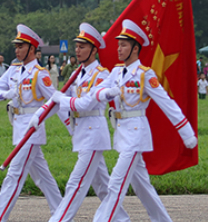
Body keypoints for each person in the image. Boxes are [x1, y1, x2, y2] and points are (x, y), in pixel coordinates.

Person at [56, 19, 196, 222]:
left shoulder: (145, 75)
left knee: (115, 184)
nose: (119, 49)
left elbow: (168, 104)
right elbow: (97, 91)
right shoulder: (115, 73)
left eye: (124, 45)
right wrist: (98, 94)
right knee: (143, 187)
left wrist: (186, 133)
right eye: (118, 44)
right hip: (122, 132)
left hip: (136, 133)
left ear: (135, 48)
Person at [38, 23, 130, 222]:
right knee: (103, 187)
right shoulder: (76, 75)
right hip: (81, 132)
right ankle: (121, 219)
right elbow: (58, 102)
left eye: (83, 46)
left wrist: (59, 99)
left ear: (94, 50)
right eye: (77, 46)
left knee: (76, 183)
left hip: (93, 133)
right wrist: (37, 117)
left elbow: (82, 103)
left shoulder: (101, 75)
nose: (77, 50)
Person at [0, 24, 62, 222]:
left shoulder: (40, 73)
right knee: (42, 177)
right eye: (16, 46)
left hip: (31, 129)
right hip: (17, 126)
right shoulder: (13, 70)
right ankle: (62, 213)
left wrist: (43, 117)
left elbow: (55, 101)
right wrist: (5, 94)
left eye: (21, 46)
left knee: (14, 175)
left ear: (32, 49)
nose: (17, 50)